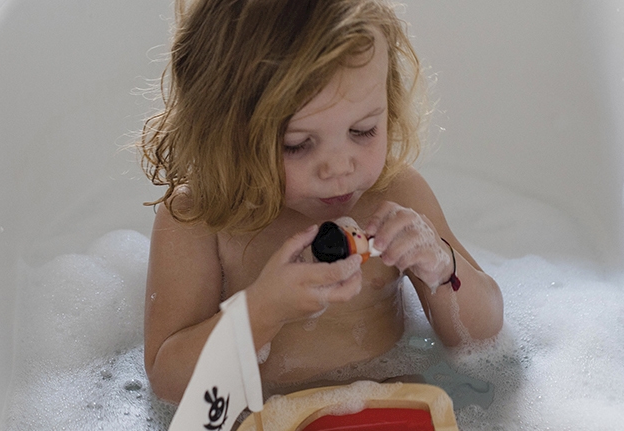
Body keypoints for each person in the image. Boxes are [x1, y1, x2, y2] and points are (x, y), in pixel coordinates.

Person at [139, 0, 502, 403]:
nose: (339, 167)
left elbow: (482, 336)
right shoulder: (202, 219)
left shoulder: (397, 194)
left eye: (363, 131)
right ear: (223, 133)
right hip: (263, 429)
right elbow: (168, 381)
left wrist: (442, 266)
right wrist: (262, 310)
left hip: (396, 410)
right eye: (297, 144)